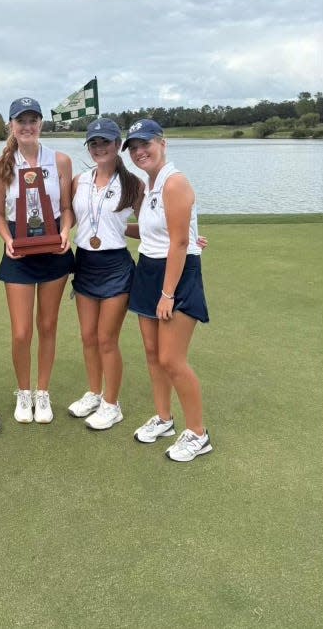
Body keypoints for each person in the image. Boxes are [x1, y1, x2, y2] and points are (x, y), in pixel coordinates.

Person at [123, 119, 212, 462]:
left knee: (171, 359)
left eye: (145, 144)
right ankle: (163, 419)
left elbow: (178, 243)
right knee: (151, 352)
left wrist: (168, 293)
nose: (139, 152)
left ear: (163, 143)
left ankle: (198, 434)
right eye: (133, 147)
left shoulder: (175, 183)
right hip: (148, 269)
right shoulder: (150, 186)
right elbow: (152, 234)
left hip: (175, 277)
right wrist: (107, 227)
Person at [0, 97, 75, 423]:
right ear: (11, 125)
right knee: (21, 332)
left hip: (54, 247)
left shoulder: (61, 161)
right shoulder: (2, 165)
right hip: (19, 249)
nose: (27, 127)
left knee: (48, 325)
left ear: (41, 123)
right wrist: (7, 238)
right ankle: (23, 393)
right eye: (21, 121)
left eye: (33, 120)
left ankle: (43, 393)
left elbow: (66, 208)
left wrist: (67, 230)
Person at [68, 118, 144, 430]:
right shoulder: (78, 180)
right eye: (94, 143)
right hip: (85, 262)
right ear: (88, 147)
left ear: (118, 146)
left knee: (106, 339)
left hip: (116, 267)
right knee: (88, 337)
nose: (100, 148)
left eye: (106, 142)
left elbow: (151, 225)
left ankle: (112, 404)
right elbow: (70, 219)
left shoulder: (134, 184)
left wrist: (185, 239)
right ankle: (95, 392)